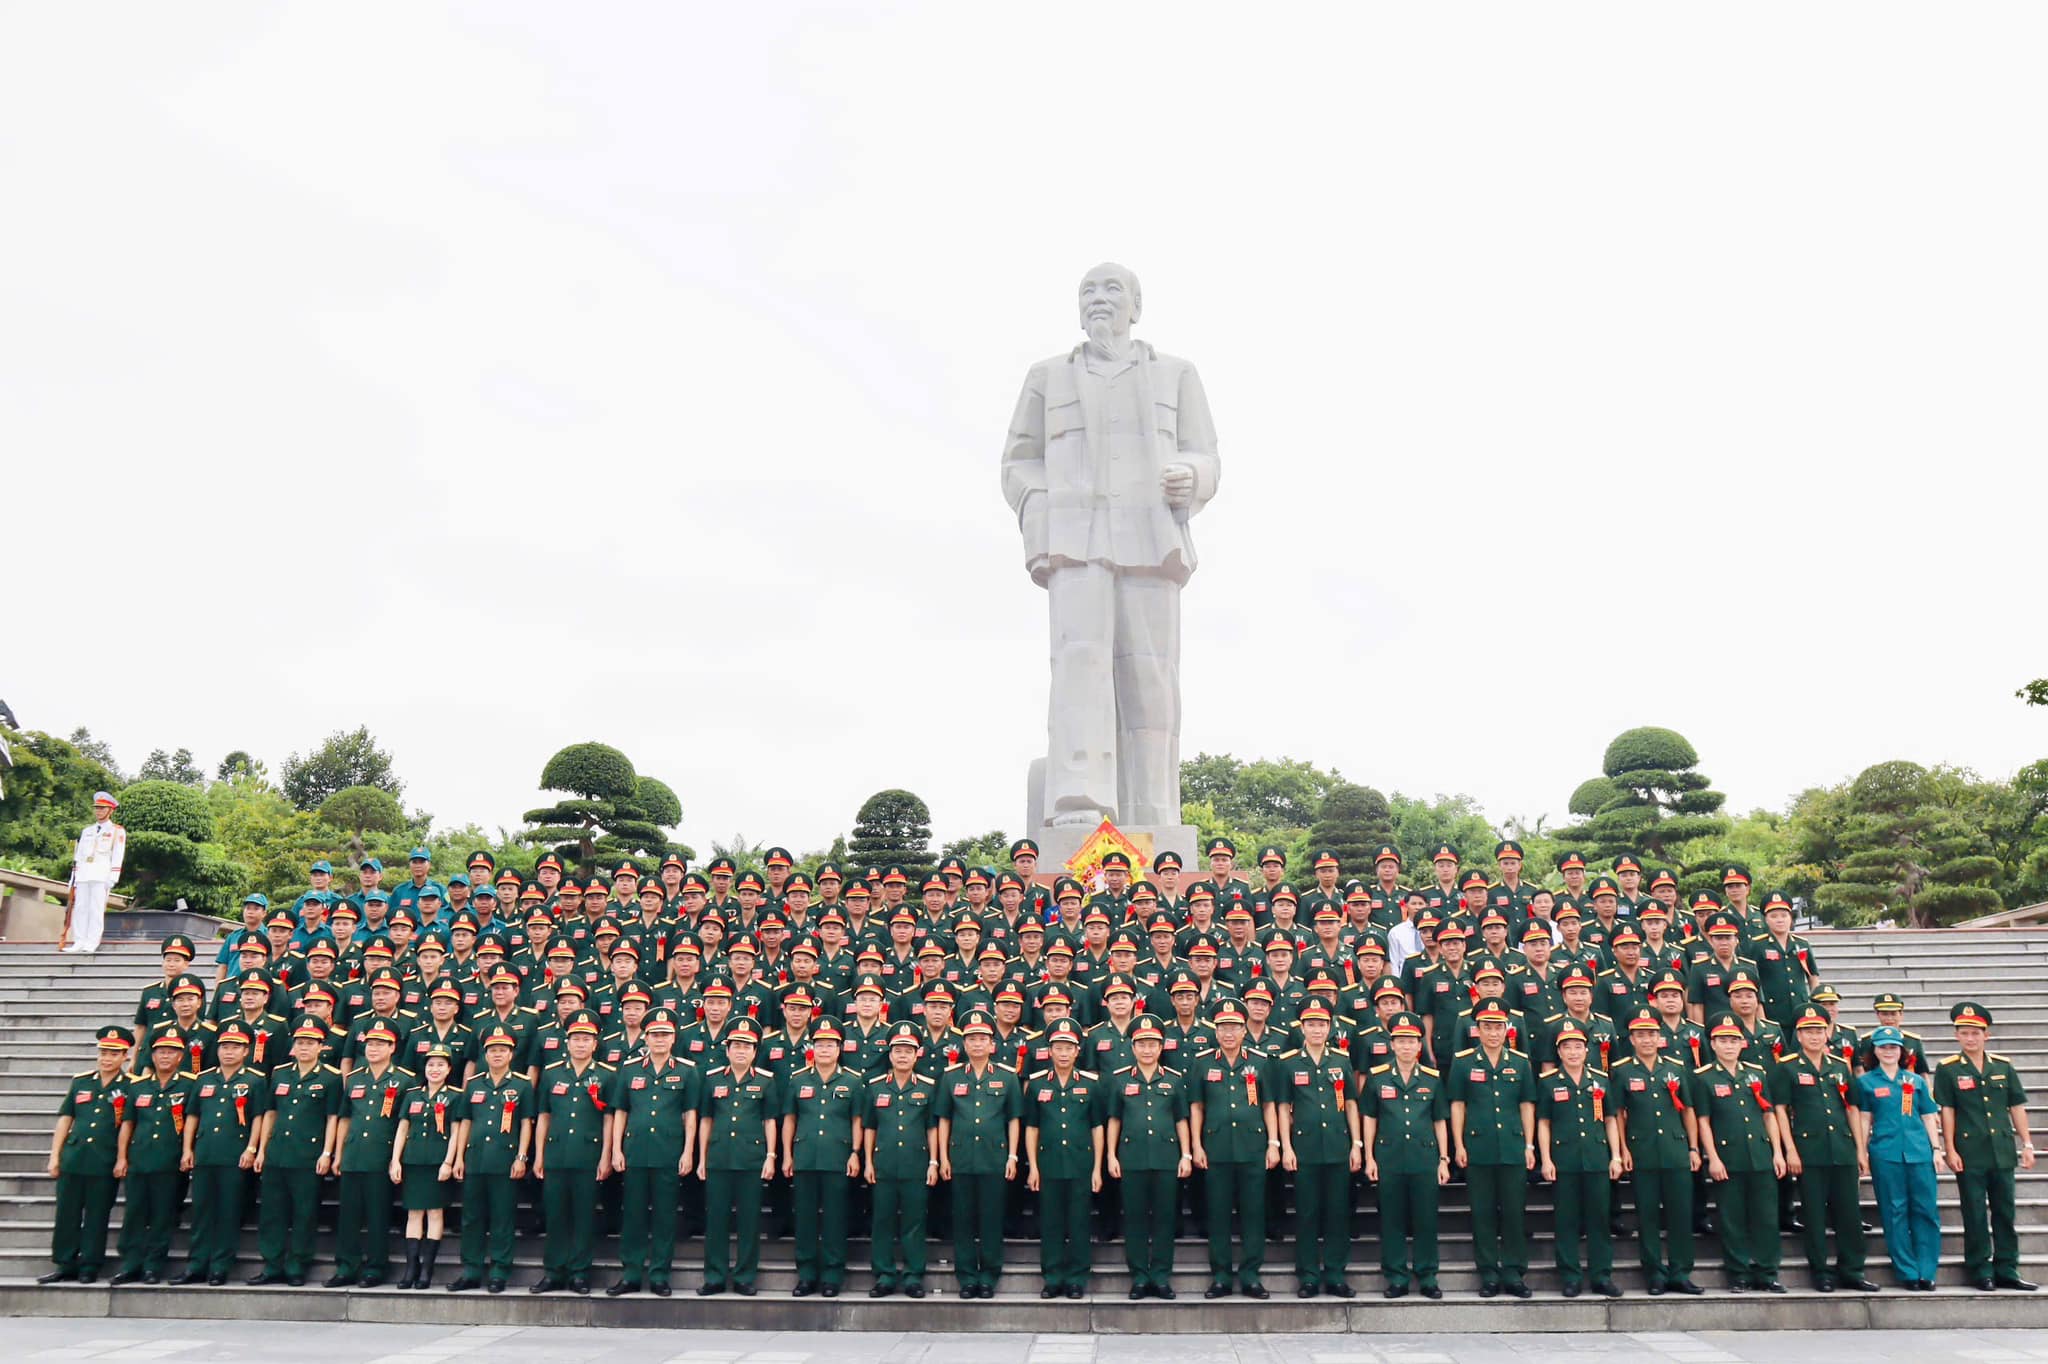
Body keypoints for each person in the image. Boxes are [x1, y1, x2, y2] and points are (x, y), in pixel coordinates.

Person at [1001, 262, 1222, 829]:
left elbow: (1207, 456)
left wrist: (1191, 478)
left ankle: (1154, 811)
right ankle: (1080, 802)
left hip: (1151, 536)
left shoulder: (1176, 374)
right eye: (1087, 291)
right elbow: (1018, 462)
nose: (1098, 299)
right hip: (1076, 539)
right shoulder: (1047, 376)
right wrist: (1043, 511)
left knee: (1151, 675)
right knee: (1080, 666)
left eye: (1111, 289)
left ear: (1136, 306)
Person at [1769, 1005, 1874, 1292]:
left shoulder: (1839, 1065)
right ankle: (1821, 1272)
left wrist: (1860, 1149)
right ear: (1799, 1036)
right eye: (1808, 1032)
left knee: (1849, 1213)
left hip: (1841, 1147)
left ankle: (1852, 1270)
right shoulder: (1787, 1067)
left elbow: (1852, 1108)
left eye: (1819, 1031)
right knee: (1814, 1215)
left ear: (1827, 1033)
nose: (1815, 1037)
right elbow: (1780, 1110)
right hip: (1808, 1150)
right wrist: (1789, 1149)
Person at [1935, 1000, 2038, 1291]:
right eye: (1964, 1032)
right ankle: (1981, 1269)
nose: (1970, 1038)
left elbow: (2016, 1106)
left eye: (1975, 1032)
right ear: (1957, 1035)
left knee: (2005, 1212)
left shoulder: (2003, 1067)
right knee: (1975, 1213)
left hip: (2002, 1150)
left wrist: (2027, 1143)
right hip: (1970, 1153)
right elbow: (1948, 1111)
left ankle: (2007, 1268)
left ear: (1986, 1035)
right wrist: (1950, 1148)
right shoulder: (1948, 1069)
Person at [1187, 999, 1277, 1299]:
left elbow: (1269, 1106)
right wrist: (1196, 1145)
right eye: (1223, 1027)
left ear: (1244, 1030)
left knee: (1253, 1213)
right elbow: (1196, 1107)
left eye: (1235, 1027)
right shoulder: (1202, 1062)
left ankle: (1251, 1275)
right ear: (1216, 1031)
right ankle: (1222, 1276)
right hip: (1216, 1148)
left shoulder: (1260, 1061)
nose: (1229, 1033)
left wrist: (1274, 1143)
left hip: (1253, 1147)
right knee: (1219, 1214)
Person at [1692, 1014, 1788, 1292]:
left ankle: (1768, 1272)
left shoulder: (1756, 1073)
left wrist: (1778, 1152)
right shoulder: (1704, 1078)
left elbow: (1768, 1114)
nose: (1729, 1046)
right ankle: (1739, 1273)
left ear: (1742, 1043)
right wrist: (1713, 1157)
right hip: (1728, 1157)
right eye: (1723, 1040)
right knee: (1732, 1218)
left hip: (1760, 1154)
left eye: (1734, 1040)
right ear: (1713, 1043)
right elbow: (1703, 1122)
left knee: (1766, 1217)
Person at [1610, 1006, 1702, 1295]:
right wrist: (1623, 1150)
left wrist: (1693, 1147)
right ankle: (1654, 1273)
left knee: (1680, 1214)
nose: (1647, 1040)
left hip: (1675, 1149)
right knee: (1647, 1215)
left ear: (1660, 1038)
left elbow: (1688, 1111)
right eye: (1641, 1035)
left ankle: (1680, 1271)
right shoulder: (1622, 1071)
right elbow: (1618, 1114)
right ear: (1632, 1039)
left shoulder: (1674, 1068)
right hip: (1642, 1151)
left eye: (1651, 1034)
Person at [609, 1007, 699, 1298]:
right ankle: (631, 1274)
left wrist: (688, 1152)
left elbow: (691, 1114)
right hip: (635, 1151)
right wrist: (616, 1149)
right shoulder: (630, 1068)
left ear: (674, 1038)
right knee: (633, 1215)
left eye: (665, 1034)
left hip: (668, 1152)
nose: (659, 1039)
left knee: (664, 1217)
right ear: (645, 1037)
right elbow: (620, 1111)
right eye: (654, 1034)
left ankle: (660, 1274)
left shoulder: (687, 1070)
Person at [1451, 998, 1536, 1298]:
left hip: (1512, 1145)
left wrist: (1529, 1144)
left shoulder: (1520, 1062)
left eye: (1498, 1027)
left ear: (1506, 1029)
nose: (1493, 1033)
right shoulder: (1463, 1062)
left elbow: (1526, 1105)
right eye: (1487, 1027)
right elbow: (1458, 1105)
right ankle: (1488, 1272)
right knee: (1483, 1212)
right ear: (1477, 1029)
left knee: (1514, 1212)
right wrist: (1459, 1143)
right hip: (1478, 1145)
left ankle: (1514, 1273)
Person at [1274, 999, 1359, 1299]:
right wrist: (1286, 1147)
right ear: (1302, 1028)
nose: (1317, 1029)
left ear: (1330, 1027)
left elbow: (1350, 1103)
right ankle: (1309, 1275)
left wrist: (1356, 1144)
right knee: (1307, 1213)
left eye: (1322, 1024)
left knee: (1337, 1213)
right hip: (1305, 1146)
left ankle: (1335, 1273)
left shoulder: (1341, 1060)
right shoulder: (1289, 1063)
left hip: (1337, 1145)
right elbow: (1284, 1107)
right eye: (1311, 1024)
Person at [936, 1009, 1023, 1298]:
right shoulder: (950, 1077)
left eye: (982, 1038)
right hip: (960, 1158)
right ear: (963, 1043)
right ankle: (967, 1277)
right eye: (971, 1038)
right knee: (962, 1219)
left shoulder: (1008, 1077)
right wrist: (942, 1158)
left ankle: (989, 1275)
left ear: (992, 1044)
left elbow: (1013, 1119)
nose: (976, 1044)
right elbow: (944, 1119)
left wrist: (1012, 1156)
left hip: (993, 1158)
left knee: (990, 1218)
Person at [1360, 1011, 1447, 1299]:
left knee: (1426, 1218)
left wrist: (1444, 1159)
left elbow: (1439, 1120)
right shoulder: (1378, 1077)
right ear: (1392, 1044)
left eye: (1412, 1041)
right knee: (1392, 1219)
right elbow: (1370, 1117)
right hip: (1389, 1157)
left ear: (1419, 1046)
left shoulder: (1432, 1079)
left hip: (1424, 1157)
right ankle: (1396, 1276)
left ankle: (1427, 1275)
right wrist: (1369, 1156)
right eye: (1401, 1041)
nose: (1407, 1046)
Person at [250, 1018, 340, 1286]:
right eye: (300, 1042)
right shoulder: (279, 1073)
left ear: (321, 1047)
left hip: (307, 1154)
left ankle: (297, 1264)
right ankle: (272, 1264)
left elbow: (333, 1118)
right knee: (272, 1213)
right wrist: (261, 1150)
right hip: (278, 1152)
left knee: (304, 1212)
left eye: (310, 1043)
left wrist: (327, 1152)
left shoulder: (330, 1078)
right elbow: (270, 1112)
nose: (304, 1048)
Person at [1105, 1015, 1190, 1299]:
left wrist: (1186, 1154)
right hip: (1132, 1157)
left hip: (1167, 1157)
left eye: (1152, 1044)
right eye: (1141, 1044)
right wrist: (1111, 1155)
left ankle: (1161, 1276)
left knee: (1165, 1219)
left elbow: (1181, 1120)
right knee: (1135, 1219)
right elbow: (1114, 1120)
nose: (1147, 1049)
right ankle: (1140, 1276)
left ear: (1161, 1046)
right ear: (1132, 1047)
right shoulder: (1120, 1080)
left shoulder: (1174, 1080)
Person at [1537, 1021, 1622, 1298]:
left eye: (1578, 1047)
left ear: (1587, 1051)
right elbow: (1544, 1123)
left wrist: (1616, 1155)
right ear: (1558, 1052)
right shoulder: (1549, 1082)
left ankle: (1601, 1275)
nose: (1573, 1052)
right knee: (1567, 1220)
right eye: (1566, 1048)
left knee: (1599, 1218)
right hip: (1565, 1160)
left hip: (1597, 1157)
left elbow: (1610, 1119)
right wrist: (1546, 1159)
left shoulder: (1600, 1080)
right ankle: (1570, 1276)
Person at [1854, 1024, 1943, 1290]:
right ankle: (1907, 1271)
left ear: (1901, 1050)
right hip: (1885, 1153)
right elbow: (1863, 1119)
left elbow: (1928, 1115)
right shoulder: (1866, 1082)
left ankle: (1927, 1270)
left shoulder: (1914, 1081)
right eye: (1883, 1047)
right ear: (1875, 1051)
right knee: (1895, 1212)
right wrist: (1862, 1152)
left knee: (1926, 1210)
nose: (1888, 1051)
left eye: (1893, 1047)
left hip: (1919, 1152)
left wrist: (1936, 1149)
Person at [42, 1025, 132, 1285]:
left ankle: (90, 1264)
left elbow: (127, 1125)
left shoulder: (129, 1087)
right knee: (66, 1214)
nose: (107, 1058)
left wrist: (121, 1158)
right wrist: (55, 1156)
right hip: (74, 1157)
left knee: (97, 1214)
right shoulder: (81, 1081)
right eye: (104, 1052)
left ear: (125, 1056)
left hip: (103, 1160)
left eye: (114, 1054)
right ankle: (65, 1262)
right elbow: (66, 1119)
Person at [696, 1016, 779, 1296]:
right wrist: (701, 1158)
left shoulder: (766, 1082)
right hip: (719, 1157)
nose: (741, 1051)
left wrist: (770, 1155)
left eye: (747, 1046)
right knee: (716, 1219)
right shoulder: (712, 1079)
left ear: (755, 1052)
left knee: (749, 1220)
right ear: (727, 1049)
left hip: (751, 1158)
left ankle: (745, 1276)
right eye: (736, 1045)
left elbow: (770, 1121)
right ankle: (715, 1276)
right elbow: (705, 1120)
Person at [177, 1023, 266, 1285]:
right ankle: (196, 1264)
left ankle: (219, 1266)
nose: (229, 1052)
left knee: (228, 1213)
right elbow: (192, 1115)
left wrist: (252, 1148)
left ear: (246, 1051)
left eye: (235, 1047)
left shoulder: (254, 1080)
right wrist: (187, 1149)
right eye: (225, 1047)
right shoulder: (204, 1079)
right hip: (205, 1153)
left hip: (234, 1155)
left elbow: (259, 1117)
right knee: (201, 1212)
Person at [447, 1024, 533, 1294]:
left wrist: (521, 1157)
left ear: (511, 1054)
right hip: (475, 1160)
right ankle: (471, 1270)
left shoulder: (521, 1084)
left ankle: (499, 1270)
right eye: (492, 1050)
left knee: (502, 1217)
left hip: (505, 1160)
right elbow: (465, 1122)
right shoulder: (473, 1085)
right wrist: (458, 1157)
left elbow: (527, 1123)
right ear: (485, 1054)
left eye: (502, 1050)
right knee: (471, 1217)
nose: (497, 1054)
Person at [532, 1008, 612, 1294]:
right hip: (555, 1155)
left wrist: (606, 1155)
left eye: (586, 1039)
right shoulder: (553, 1074)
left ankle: (580, 1273)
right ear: (567, 1041)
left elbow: (609, 1118)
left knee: (583, 1216)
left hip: (588, 1157)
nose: (580, 1043)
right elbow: (544, 1116)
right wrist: (538, 1154)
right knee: (555, 1216)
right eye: (575, 1038)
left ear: (595, 1043)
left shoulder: (606, 1075)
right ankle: (554, 1271)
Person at [1023, 1017, 1104, 1299]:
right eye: (1058, 1047)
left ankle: (1077, 1279)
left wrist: (1097, 1168)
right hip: (1049, 1164)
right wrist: (1032, 1166)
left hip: (1081, 1163)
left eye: (1069, 1047)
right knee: (1051, 1222)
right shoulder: (1035, 1085)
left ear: (1077, 1051)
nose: (1064, 1053)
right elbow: (1031, 1128)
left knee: (1080, 1222)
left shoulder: (1091, 1085)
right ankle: (1053, 1277)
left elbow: (1097, 1128)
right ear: (1050, 1050)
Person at [782, 1016, 859, 1298]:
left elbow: (857, 1120)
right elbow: (790, 1119)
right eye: (820, 1044)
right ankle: (806, 1275)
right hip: (804, 1156)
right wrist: (787, 1154)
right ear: (812, 1048)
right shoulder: (798, 1079)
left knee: (835, 1219)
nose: (825, 1049)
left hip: (837, 1157)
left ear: (839, 1049)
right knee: (804, 1219)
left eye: (830, 1045)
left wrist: (855, 1153)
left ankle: (832, 1275)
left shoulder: (852, 1081)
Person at [330, 1019, 409, 1287]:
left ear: (392, 1047)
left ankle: (376, 1266)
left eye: (379, 1044)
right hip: (353, 1154)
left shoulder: (404, 1080)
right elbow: (345, 1118)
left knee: (377, 1216)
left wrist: (396, 1157)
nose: (373, 1049)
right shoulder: (354, 1079)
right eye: (369, 1044)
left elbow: (404, 1122)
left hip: (381, 1154)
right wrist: (338, 1154)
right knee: (348, 1215)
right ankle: (346, 1266)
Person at [864, 1022, 939, 1298]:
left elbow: (932, 1127)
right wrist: (868, 1161)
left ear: (917, 1054)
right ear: (890, 1054)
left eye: (908, 1051)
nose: (902, 1056)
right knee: (882, 1221)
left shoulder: (928, 1088)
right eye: (898, 1051)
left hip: (915, 1164)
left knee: (914, 1222)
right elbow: (869, 1127)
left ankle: (912, 1276)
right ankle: (884, 1275)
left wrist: (933, 1162)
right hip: (883, 1164)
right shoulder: (874, 1087)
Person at [390, 1041, 466, 1290]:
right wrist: (395, 1160)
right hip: (413, 1160)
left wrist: (449, 1162)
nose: (435, 1069)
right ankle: (410, 1268)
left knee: (434, 1213)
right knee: (413, 1213)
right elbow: (403, 1128)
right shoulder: (413, 1095)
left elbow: (456, 1132)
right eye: (431, 1064)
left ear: (448, 1069)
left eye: (440, 1065)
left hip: (437, 1162)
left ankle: (427, 1270)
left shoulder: (455, 1096)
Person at [64, 791, 125, 954]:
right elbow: (79, 856)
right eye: (97, 808)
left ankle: (92, 942)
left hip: (101, 875)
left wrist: (113, 878)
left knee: (96, 909)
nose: (98, 811)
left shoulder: (117, 831)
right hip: (84, 874)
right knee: (80, 908)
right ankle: (79, 941)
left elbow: (118, 855)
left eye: (102, 808)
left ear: (110, 810)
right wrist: (74, 878)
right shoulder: (87, 831)